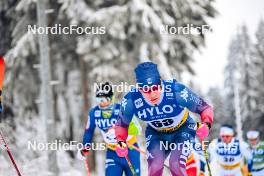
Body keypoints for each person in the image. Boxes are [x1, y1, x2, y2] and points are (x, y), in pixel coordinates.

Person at [114, 61, 214, 176]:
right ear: (139, 89)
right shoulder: (131, 100)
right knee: (154, 166)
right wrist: (120, 141)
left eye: (155, 88)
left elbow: (205, 108)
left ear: (161, 83)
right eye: (146, 90)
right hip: (156, 133)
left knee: (176, 164)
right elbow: (121, 124)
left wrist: (206, 124)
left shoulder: (177, 92)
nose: (152, 94)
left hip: (183, 129)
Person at [77, 82, 141, 176]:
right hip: (112, 152)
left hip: (130, 151)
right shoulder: (94, 113)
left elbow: (137, 129)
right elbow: (89, 131)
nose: (102, 102)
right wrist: (85, 147)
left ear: (111, 98)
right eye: (99, 99)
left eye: (105, 98)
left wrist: (119, 133)